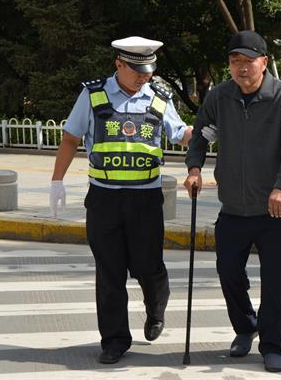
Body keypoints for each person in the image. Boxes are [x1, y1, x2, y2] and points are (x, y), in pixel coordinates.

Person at [49, 36, 192, 364]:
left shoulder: (158, 97)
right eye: (137, 70)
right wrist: (57, 180)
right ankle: (114, 340)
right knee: (109, 272)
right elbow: (71, 138)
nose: (144, 77)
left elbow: (180, 133)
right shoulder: (93, 95)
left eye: (148, 70)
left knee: (148, 266)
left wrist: (205, 136)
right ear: (119, 64)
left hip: (145, 200)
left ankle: (156, 307)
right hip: (104, 200)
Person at [183, 30, 281, 373]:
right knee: (227, 272)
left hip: (275, 210)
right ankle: (245, 327)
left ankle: (272, 344)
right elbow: (200, 134)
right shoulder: (220, 97)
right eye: (235, 61)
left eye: (248, 61)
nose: (241, 68)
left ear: (264, 63)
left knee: (276, 281)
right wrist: (194, 169)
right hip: (234, 208)